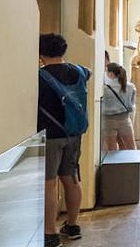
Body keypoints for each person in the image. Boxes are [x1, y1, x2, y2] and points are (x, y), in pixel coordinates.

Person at [37, 34, 90, 247]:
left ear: (40, 53)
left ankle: (50, 233)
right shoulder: (80, 71)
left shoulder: (40, 77)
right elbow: (90, 73)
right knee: (71, 179)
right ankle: (72, 224)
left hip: (49, 136)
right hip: (73, 134)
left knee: (49, 184)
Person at [102, 63, 137, 151]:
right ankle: (130, 165)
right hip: (125, 120)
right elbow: (132, 103)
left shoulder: (104, 89)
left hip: (108, 121)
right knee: (130, 149)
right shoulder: (130, 87)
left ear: (111, 74)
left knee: (111, 151)